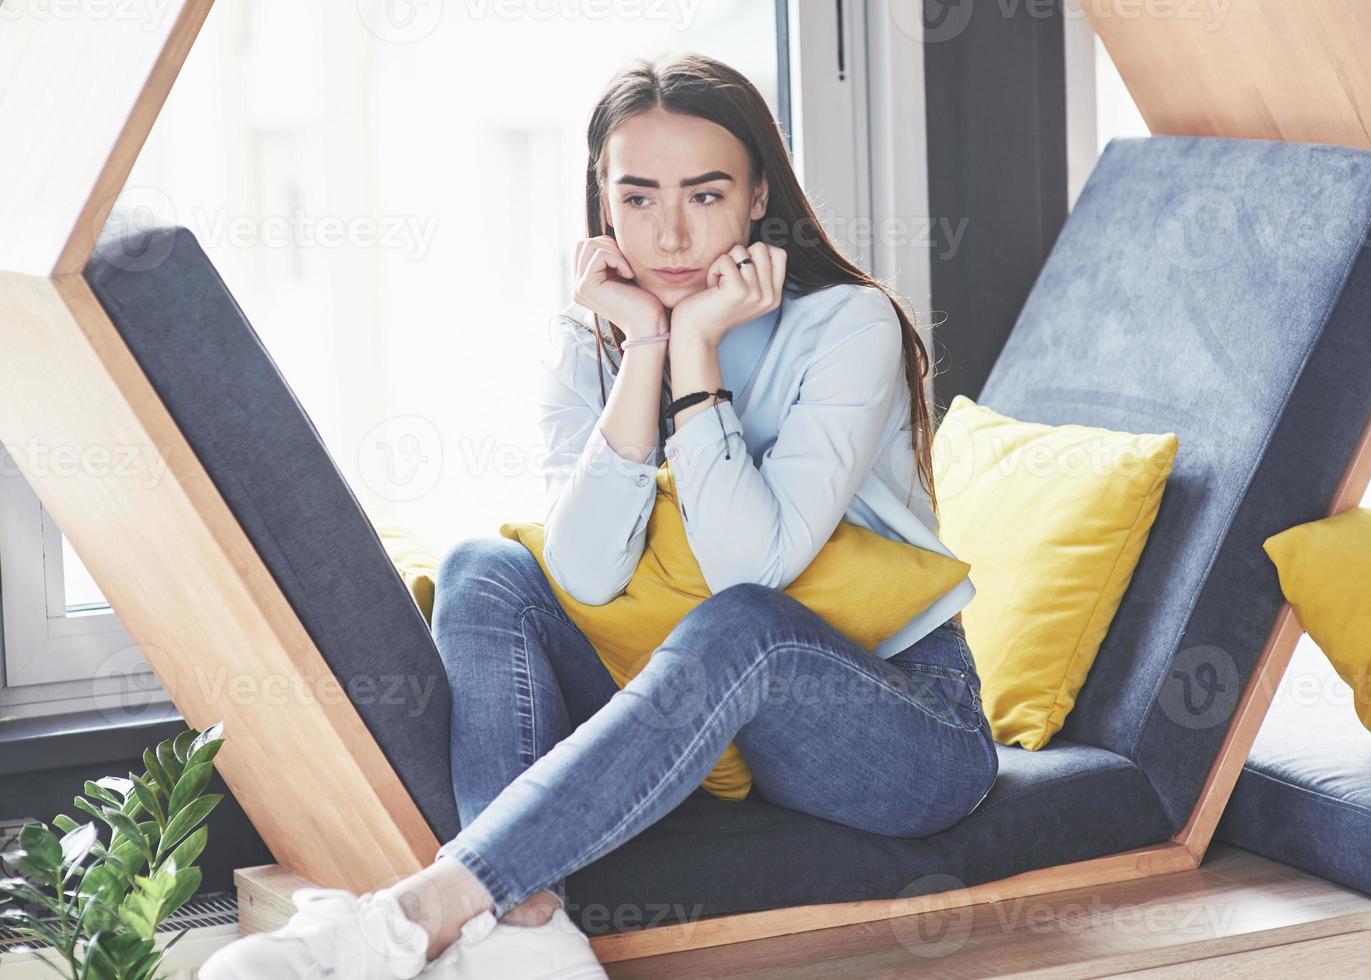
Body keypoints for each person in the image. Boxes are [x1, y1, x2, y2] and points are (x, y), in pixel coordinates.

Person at [200, 51, 996, 980]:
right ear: (602, 204)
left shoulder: (847, 326)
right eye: (638, 198)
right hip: (699, 715)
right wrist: (649, 345)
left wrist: (697, 350)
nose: (670, 235)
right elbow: (582, 575)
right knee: (481, 567)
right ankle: (527, 932)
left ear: (755, 199)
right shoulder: (592, 339)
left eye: (705, 196)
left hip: (896, 721)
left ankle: (420, 914)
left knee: (744, 622)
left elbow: (752, 570)